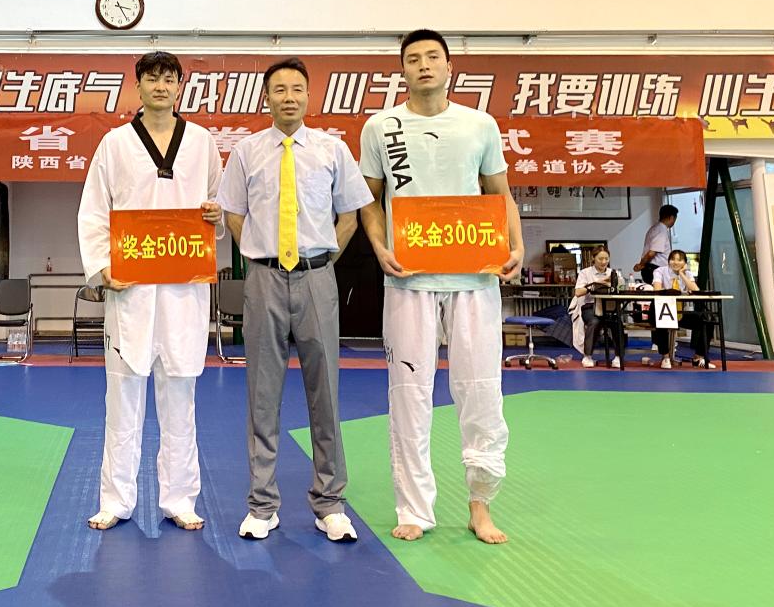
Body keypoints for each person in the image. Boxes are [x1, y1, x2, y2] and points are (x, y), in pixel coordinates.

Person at [359, 29, 524, 545]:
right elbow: (370, 200)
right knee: (409, 393)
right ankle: (415, 508)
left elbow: (500, 193)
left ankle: (481, 505)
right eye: (413, 59)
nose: (424, 65)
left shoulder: (479, 124)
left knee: (481, 391)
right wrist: (380, 247)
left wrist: (516, 246)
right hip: (409, 279)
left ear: (450, 67)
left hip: (474, 277)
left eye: (433, 56)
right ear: (402, 71)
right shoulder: (381, 127)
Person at [217, 57, 373, 542]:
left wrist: (322, 260)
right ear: (266, 98)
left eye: (297, 89)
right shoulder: (246, 152)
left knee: (325, 392)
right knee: (262, 396)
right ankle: (262, 505)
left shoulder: (332, 149)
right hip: (263, 279)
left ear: (309, 96)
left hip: (317, 279)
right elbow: (233, 213)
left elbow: (349, 216)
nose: (289, 97)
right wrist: (259, 253)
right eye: (279, 89)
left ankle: (330, 503)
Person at [77, 51, 223, 532]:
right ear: (137, 86)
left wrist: (216, 217)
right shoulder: (115, 144)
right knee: (122, 396)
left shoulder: (201, 142)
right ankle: (116, 500)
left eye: (169, 78)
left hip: (183, 287)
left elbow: (217, 204)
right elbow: (94, 210)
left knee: (181, 396)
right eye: (152, 78)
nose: (161, 86)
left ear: (180, 86)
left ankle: (180, 498)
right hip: (132, 290)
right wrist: (102, 268)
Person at [651, 249, 716, 369]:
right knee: (661, 320)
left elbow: (696, 290)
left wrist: (682, 274)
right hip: (663, 310)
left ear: (685, 263)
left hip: (680, 312)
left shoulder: (687, 274)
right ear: (668, 261)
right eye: (672, 259)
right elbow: (657, 289)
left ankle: (698, 357)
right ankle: (665, 357)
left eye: (679, 260)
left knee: (708, 321)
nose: (675, 262)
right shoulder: (659, 271)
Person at [573, 246, 621, 369]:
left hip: (609, 307)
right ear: (593, 258)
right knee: (594, 322)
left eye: (606, 259)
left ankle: (618, 356)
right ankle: (587, 356)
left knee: (617, 322)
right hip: (590, 307)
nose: (604, 262)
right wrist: (594, 285)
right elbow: (578, 292)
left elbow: (620, 288)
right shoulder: (585, 273)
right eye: (600, 259)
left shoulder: (613, 273)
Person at [634, 205, 678, 285]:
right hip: (655, 269)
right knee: (660, 292)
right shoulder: (661, 231)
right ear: (671, 217)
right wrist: (641, 265)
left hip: (651, 268)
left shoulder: (654, 228)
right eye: (675, 218)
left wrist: (641, 264)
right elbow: (651, 253)